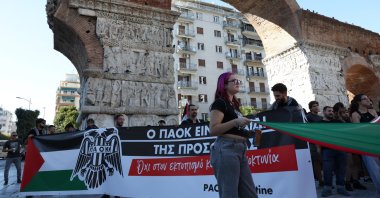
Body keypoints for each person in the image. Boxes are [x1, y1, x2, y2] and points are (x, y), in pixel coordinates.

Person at [209, 72, 258, 198]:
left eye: (238, 81)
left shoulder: (234, 104)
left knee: (250, 194)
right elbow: (213, 130)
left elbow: (232, 129)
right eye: (233, 81)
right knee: (229, 194)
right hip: (226, 149)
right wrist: (236, 121)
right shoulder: (220, 103)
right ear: (224, 85)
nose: (238, 83)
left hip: (240, 149)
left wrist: (247, 133)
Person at [332, 102, 366, 191]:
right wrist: (340, 119)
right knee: (349, 163)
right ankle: (347, 182)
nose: (345, 113)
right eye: (342, 112)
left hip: (352, 143)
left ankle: (355, 181)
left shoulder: (348, 120)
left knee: (356, 162)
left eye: (345, 111)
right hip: (343, 144)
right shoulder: (335, 122)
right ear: (336, 113)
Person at [350, 94, 379, 194]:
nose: (368, 100)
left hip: (377, 142)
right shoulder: (355, 114)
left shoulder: (373, 111)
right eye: (365, 99)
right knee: (375, 171)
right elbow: (358, 132)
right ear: (359, 102)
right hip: (367, 146)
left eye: (368, 98)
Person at [320, 106, 350, 197]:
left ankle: (341, 187)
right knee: (327, 170)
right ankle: (327, 189)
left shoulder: (338, 122)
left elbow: (346, 132)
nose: (331, 112)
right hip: (327, 150)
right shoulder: (319, 124)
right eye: (329, 111)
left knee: (341, 169)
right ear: (324, 112)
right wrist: (318, 149)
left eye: (332, 111)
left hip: (340, 149)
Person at [306, 101, 324, 187]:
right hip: (313, 142)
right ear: (310, 108)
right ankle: (320, 180)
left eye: (317, 105)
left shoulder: (320, 117)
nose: (316, 107)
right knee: (316, 161)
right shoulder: (308, 117)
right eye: (314, 106)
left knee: (322, 161)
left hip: (322, 141)